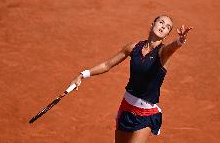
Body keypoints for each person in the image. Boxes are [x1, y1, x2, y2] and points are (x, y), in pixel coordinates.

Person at [69, 15, 193, 143]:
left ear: (167, 35)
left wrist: (179, 41)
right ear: (152, 25)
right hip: (127, 108)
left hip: (146, 115)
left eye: (167, 27)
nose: (163, 26)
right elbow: (107, 65)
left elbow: (172, 48)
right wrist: (82, 75)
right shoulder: (133, 47)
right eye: (161, 22)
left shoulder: (163, 52)